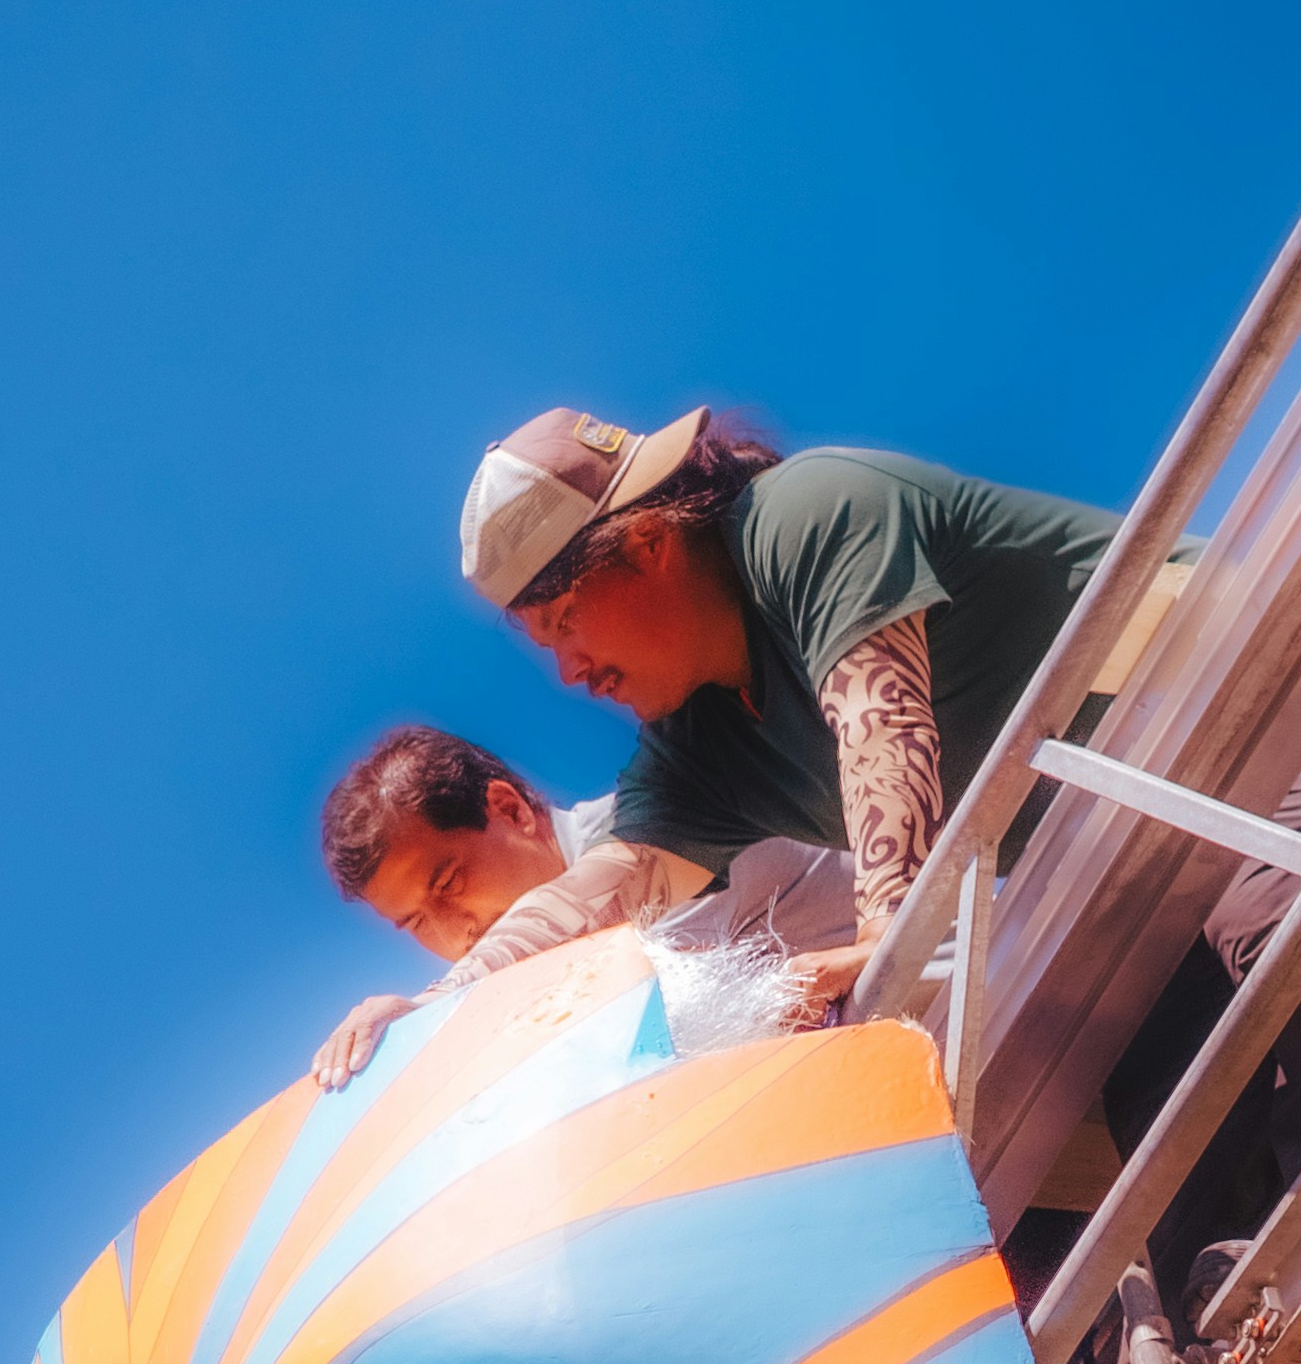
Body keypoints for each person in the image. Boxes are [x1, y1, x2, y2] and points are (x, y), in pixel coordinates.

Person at [457, 405, 1118, 1009]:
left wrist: (884, 932)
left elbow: (877, 721)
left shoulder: (806, 511)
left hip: (1204, 687)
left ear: (647, 543)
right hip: (1125, 853)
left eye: (567, 620)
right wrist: (444, 1001)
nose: (569, 672)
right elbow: (609, 883)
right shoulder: (696, 751)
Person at [307, 721, 856, 1089]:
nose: (458, 934)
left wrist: (431, 1011)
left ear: (511, 809)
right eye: (416, 921)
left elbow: (571, 914)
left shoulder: (664, 829)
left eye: (449, 883)